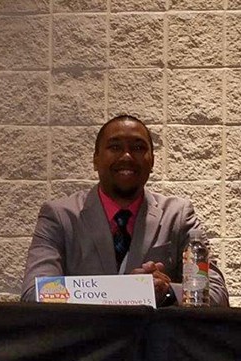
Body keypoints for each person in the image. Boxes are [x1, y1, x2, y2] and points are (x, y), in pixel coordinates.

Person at [21, 115, 229, 306]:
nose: (127, 156)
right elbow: (34, 294)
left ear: (152, 160)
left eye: (138, 148)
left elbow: (218, 295)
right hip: (87, 345)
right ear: (95, 159)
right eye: (115, 147)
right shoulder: (59, 216)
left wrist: (166, 292)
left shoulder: (178, 215)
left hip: (155, 346)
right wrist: (132, 291)